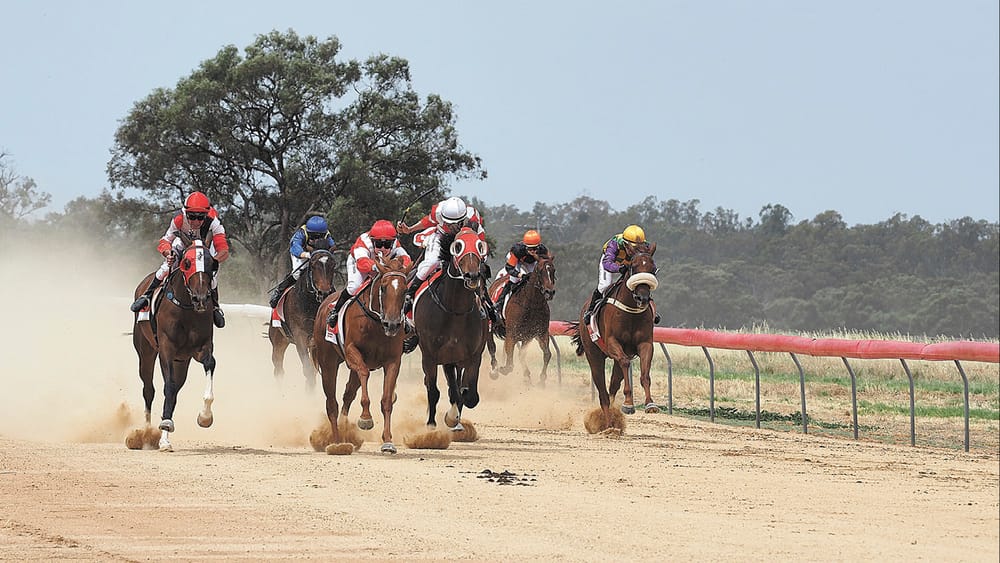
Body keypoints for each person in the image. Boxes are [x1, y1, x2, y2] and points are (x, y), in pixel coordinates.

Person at [129, 191, 230, 328]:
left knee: (211, 276)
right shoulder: (178, 218)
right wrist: (168, 253)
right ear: (186, 212)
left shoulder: (214, 222)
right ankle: (147, 295)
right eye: (191, 216)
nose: (195, 221)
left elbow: (223, 249)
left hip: (203, 247)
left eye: (200, 217)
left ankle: (215, 307)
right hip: (183, 244)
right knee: (166, 268)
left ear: (207, 214)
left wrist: (213, 261)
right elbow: (165, 240)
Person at [396, 195, 488, 314]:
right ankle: (409, 294)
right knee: (432, 263)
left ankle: (484, 300)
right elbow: (428, 221)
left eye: (452, 224)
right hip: (441, 236)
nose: (449, 226)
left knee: (479, 265)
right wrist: (410, 229)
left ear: (462, 220)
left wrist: (481, 258)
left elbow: (481, 242)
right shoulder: (439, 211)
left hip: (464, 237)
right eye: (447, 223)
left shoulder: (473, 219)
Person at [326, 219, 411, 327]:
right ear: (372, 241)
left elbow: (406, 257)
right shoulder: (362, 243)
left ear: (393, 242)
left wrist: (399, 268)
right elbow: (362, 263)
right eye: (379, 244)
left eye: (387, 244)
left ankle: (404, 317)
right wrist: (377, 267)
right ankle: (335, 311)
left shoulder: (395, 244)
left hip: (380, 265)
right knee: (354, 287)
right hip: (358, 263)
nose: (383, 248)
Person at [582, 224, 658, 325]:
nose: (635, 250)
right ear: (625, 244)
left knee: (641, 282)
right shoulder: (614, 244)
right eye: (633, 247)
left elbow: (648, 261)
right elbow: (607, 263)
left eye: (638, 247)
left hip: (630, 263)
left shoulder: (645, 246)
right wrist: (619, 268)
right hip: (612, 262)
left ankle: (650, 307)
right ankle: (590, 311)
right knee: (604, 286)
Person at [268, 216, 335, 308]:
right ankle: (279, 292)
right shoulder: (301, 233)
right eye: (314, 236)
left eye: (320, 236)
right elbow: (295, 248)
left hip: (316, 255)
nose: (316, 238)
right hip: (301, 254)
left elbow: (332, 246)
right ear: (308, 232)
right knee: (297, 273)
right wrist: (306, 255)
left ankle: (333, 295)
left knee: (324, 272)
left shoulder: (327, 234)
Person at [492, 229, 548, 316]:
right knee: (513, 280)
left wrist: (536, 257)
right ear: (525, 246)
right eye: (530, 248)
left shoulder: (542, 250)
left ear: (538, 246)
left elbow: (546, 264)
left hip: (531, 261)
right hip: (517, 260)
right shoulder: (518, 250)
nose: (532, 251)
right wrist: (520, 275)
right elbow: (509, 268)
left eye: (535, 248)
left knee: (536, 279)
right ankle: (499, 302)